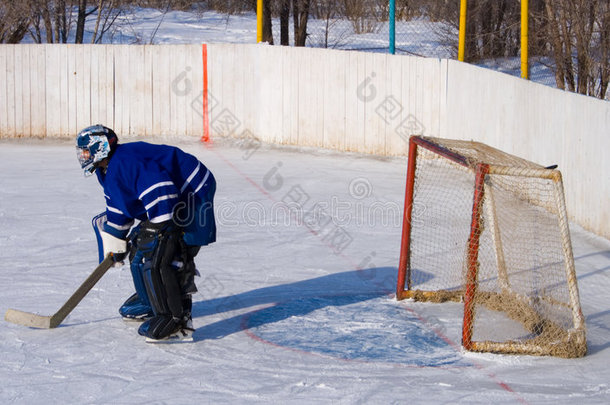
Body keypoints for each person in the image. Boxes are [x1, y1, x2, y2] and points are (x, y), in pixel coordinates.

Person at [75, 124, 217, 341]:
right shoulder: (106, 170)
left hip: (191, 191)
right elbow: (120, 207)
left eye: (86, 150)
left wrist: (161, 227)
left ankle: (176, 317)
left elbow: (161, 187)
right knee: (142, 248)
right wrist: (116, 239)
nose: (83, 155)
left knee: (166, 254)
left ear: (100, 147)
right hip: (171, 197)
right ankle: (150, 299)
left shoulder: (127, 163)